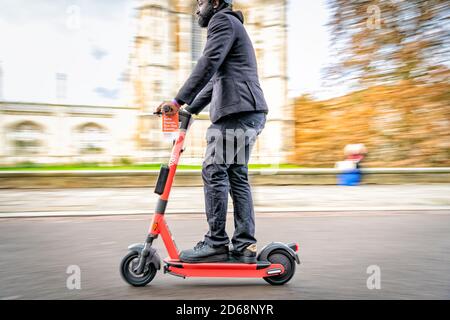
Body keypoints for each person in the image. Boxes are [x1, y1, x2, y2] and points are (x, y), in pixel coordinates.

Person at [156, 0, 268, 264]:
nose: (197, 9)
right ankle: (245, 246)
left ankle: (216, 243)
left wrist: (177, 100)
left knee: (213, 169)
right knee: (236, 176)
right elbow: (216, 80)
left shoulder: (222, 21)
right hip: (249, 113)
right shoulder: (232, 26)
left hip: (236, 114)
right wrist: (189, 110)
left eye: (201, 3)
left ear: (216, 3)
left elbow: (208, 63)